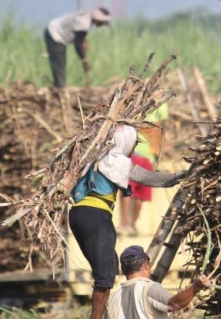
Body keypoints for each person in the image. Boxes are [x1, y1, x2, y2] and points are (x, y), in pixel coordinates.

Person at [69, 125, 185, 319]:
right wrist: (180, 177)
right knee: (105, 277)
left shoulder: (96, 158)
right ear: (125, 143)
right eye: (133, 145)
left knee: (110, 265)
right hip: (96, 215)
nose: (133, 150)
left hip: (78, 214)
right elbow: (147, 177)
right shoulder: (117, 161)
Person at [106, 245, 211, 318]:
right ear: (146, 265)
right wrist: (195, 287)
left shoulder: (112, 299)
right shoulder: (148, 289)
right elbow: (174, 304)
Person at [120, 103, 170, 236]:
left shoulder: (135, 105)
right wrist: (159, 151)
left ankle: (126, 224)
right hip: (146, 156)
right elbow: (160, 130)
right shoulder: (162, 106)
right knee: (139, 194)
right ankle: (130, 225)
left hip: (134, 154)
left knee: (128, 190)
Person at [43, 7, 111, 88]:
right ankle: (60, 87)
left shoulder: (86, 17)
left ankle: (59, 86)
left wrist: (83, 42)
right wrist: (84, 59)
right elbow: (78, 44)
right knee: (59, 61)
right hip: (54, 34)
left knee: (61, 61)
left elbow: (80, 39)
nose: (101, 24)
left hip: (58, 34)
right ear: (98, 19)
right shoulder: (84, 23)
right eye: (102, 22)